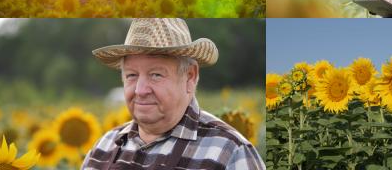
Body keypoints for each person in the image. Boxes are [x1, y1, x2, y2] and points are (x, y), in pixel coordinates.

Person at [81, 18, 265, 170]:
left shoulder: (229, 152)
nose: (140, 90)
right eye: (132, 75)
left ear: (190, 77)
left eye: (156, 75)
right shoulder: (103, 148)